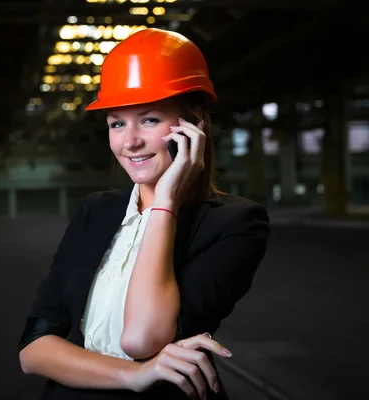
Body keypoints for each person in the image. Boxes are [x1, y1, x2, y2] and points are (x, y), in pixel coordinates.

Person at [18, 28, 270, 400]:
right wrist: (133, 376)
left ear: (194, 123)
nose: (129, 141)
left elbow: (140, 338)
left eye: (149, 119)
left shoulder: (236, 224)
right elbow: (34, 349)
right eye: (117, 123)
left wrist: (164, 201)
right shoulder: (95, 211)